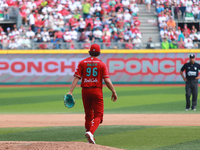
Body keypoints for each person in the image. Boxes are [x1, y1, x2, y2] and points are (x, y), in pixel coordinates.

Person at [67, 44, 117, 144]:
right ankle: (91, 133)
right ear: (99, 52)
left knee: (88, 116)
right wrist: (113, 91)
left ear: (89, 52)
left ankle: (90, 139)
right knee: (98, 116)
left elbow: (76, 77)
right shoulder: (101, 64)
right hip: (96, 91)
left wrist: (70, 91)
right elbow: (106, 80)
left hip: (85, 91)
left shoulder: (82, 63)